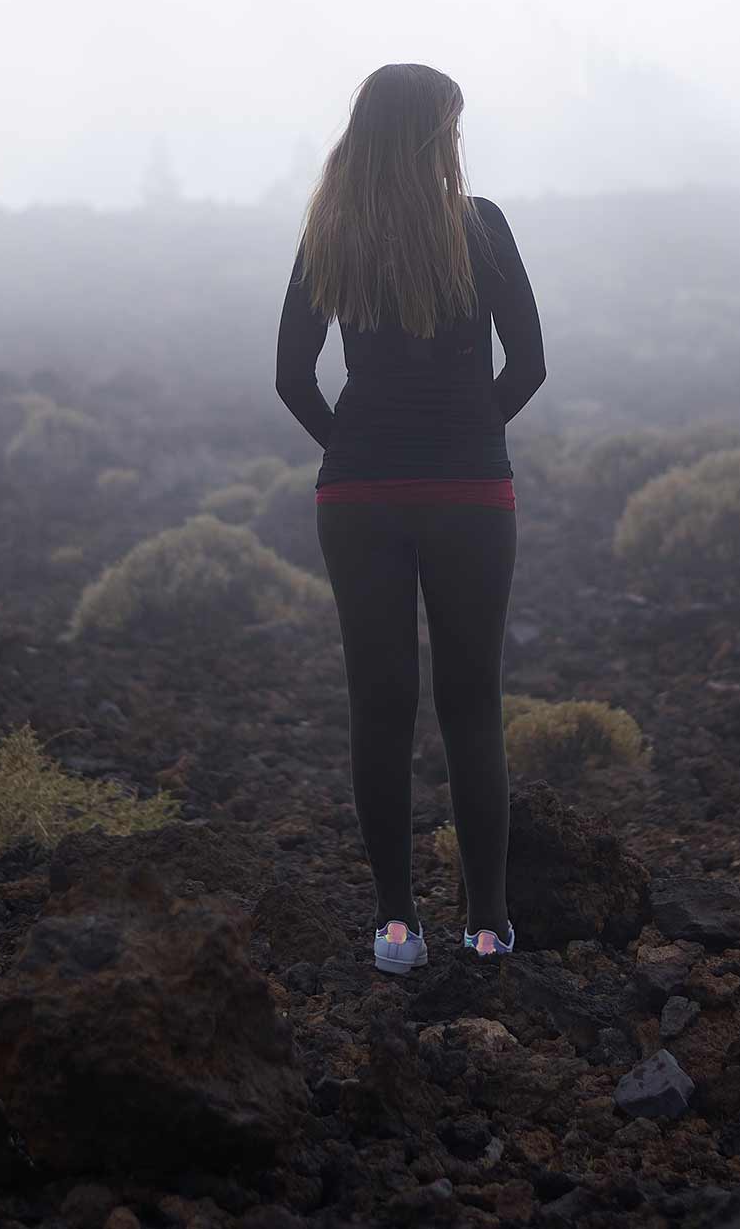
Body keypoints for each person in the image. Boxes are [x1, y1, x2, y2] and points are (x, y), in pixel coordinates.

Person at [275, 63, 546, 975]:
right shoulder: (481, 225)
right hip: (472, 496)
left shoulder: (333, 233)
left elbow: (291, 377)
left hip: (359, 499)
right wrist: (466, 438)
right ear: (437, 134)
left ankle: (396, 927)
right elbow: (531, 364)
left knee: (379, 705)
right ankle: (487, 926)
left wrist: (353, 452)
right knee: (473, 705)